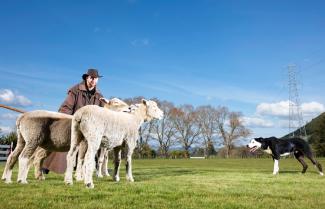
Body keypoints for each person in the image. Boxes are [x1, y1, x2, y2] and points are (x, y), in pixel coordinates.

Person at [42, 68, 107, 174]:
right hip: (73, 123)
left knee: (95, 143)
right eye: (91, 78)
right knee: (64, 141)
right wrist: (66, 117)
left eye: (95, 79)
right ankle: (47, 166)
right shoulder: (75, 90)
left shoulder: (99, 96)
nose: (93, 81)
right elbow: (66, 107)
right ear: (86, 78)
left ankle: (96, 168)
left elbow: (103, 112)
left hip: (89, 127)